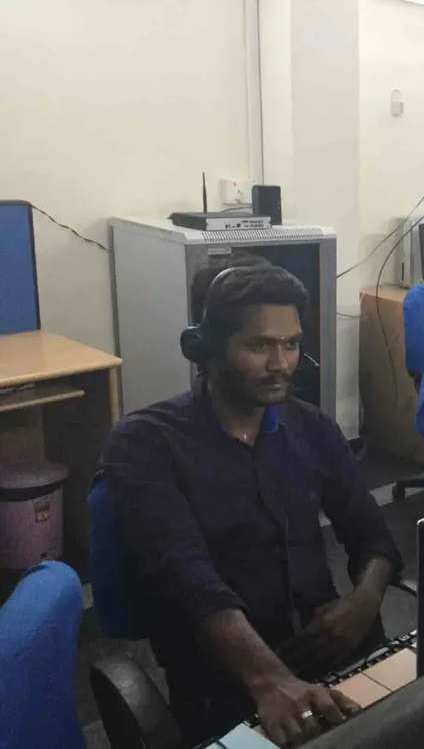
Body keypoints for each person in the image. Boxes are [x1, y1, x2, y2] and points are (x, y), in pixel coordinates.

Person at [101, 260, 402, 747]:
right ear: (206, 348)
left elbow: (374, 536)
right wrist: (269, 679)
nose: (281, 363)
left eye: (291, 344)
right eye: (259, 346)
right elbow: (188, 577)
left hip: (331, 646)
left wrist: (361, 605)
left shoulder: (312, 427)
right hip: (227, 677)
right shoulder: (145, 443)